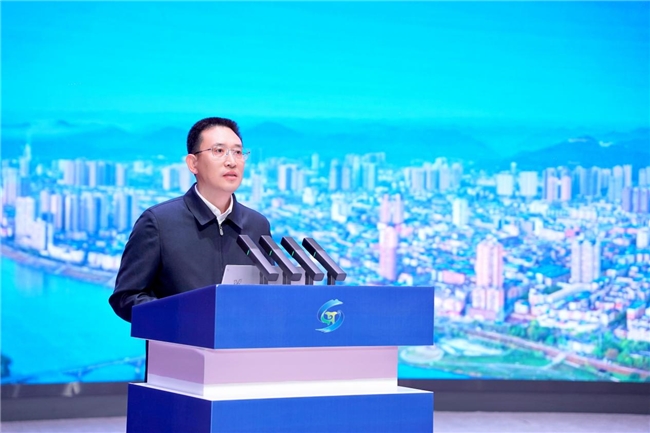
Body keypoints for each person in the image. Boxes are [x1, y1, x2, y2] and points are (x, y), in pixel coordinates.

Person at [109, 117, 271, 322]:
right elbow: (126, 297)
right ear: (193, 163)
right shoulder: (158, 222)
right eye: (219, 151)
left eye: (238, 152)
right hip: (179, 340)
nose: (231, 161)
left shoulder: (257, 225)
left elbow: (268, 296)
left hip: (240, 341)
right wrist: (181, 317)